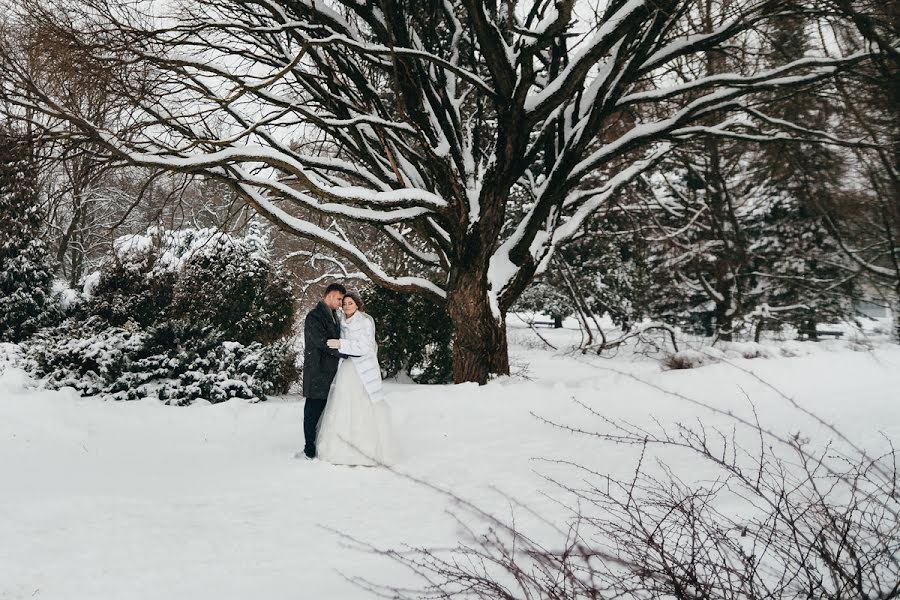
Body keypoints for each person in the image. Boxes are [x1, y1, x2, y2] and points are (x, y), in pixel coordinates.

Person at [315, 290, 393, 466]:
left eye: (351, 303)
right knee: (343, 404)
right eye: (345, 303)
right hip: (347, 367)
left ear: (357, 304)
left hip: (362, 369)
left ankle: (366, 451)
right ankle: (340, 450)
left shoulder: (365, 322)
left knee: (361, 406)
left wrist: (342, 344)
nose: (347, 306)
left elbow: (365, 347)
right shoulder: (341, 321)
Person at [300, 282, 346, 459]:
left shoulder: (334, 315)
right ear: (329, 296)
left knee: (325, 409)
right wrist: (344, 351)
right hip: (317, 370)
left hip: (330, 371)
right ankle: (309, 446)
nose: (341, 302)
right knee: (313, 408)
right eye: (339, 298)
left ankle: (319, 442)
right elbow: (321, 341)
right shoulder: (314, 316)